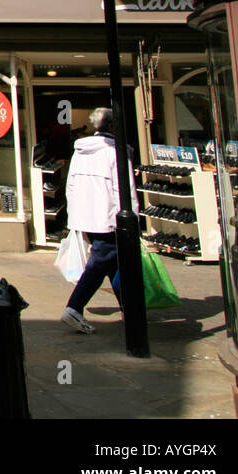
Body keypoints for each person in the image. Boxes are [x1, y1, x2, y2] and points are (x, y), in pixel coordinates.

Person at [62, 107, 139, 334]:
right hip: (109, 219)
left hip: (86, 218)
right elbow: (125, 190)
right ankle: (74, 307)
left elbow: (71, 186)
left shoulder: (81, 151)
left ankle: (130, 308)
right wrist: (132, 220)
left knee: (114, 265)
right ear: (113, 127)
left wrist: (74, 217)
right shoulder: (116, 152)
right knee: (98, 264)